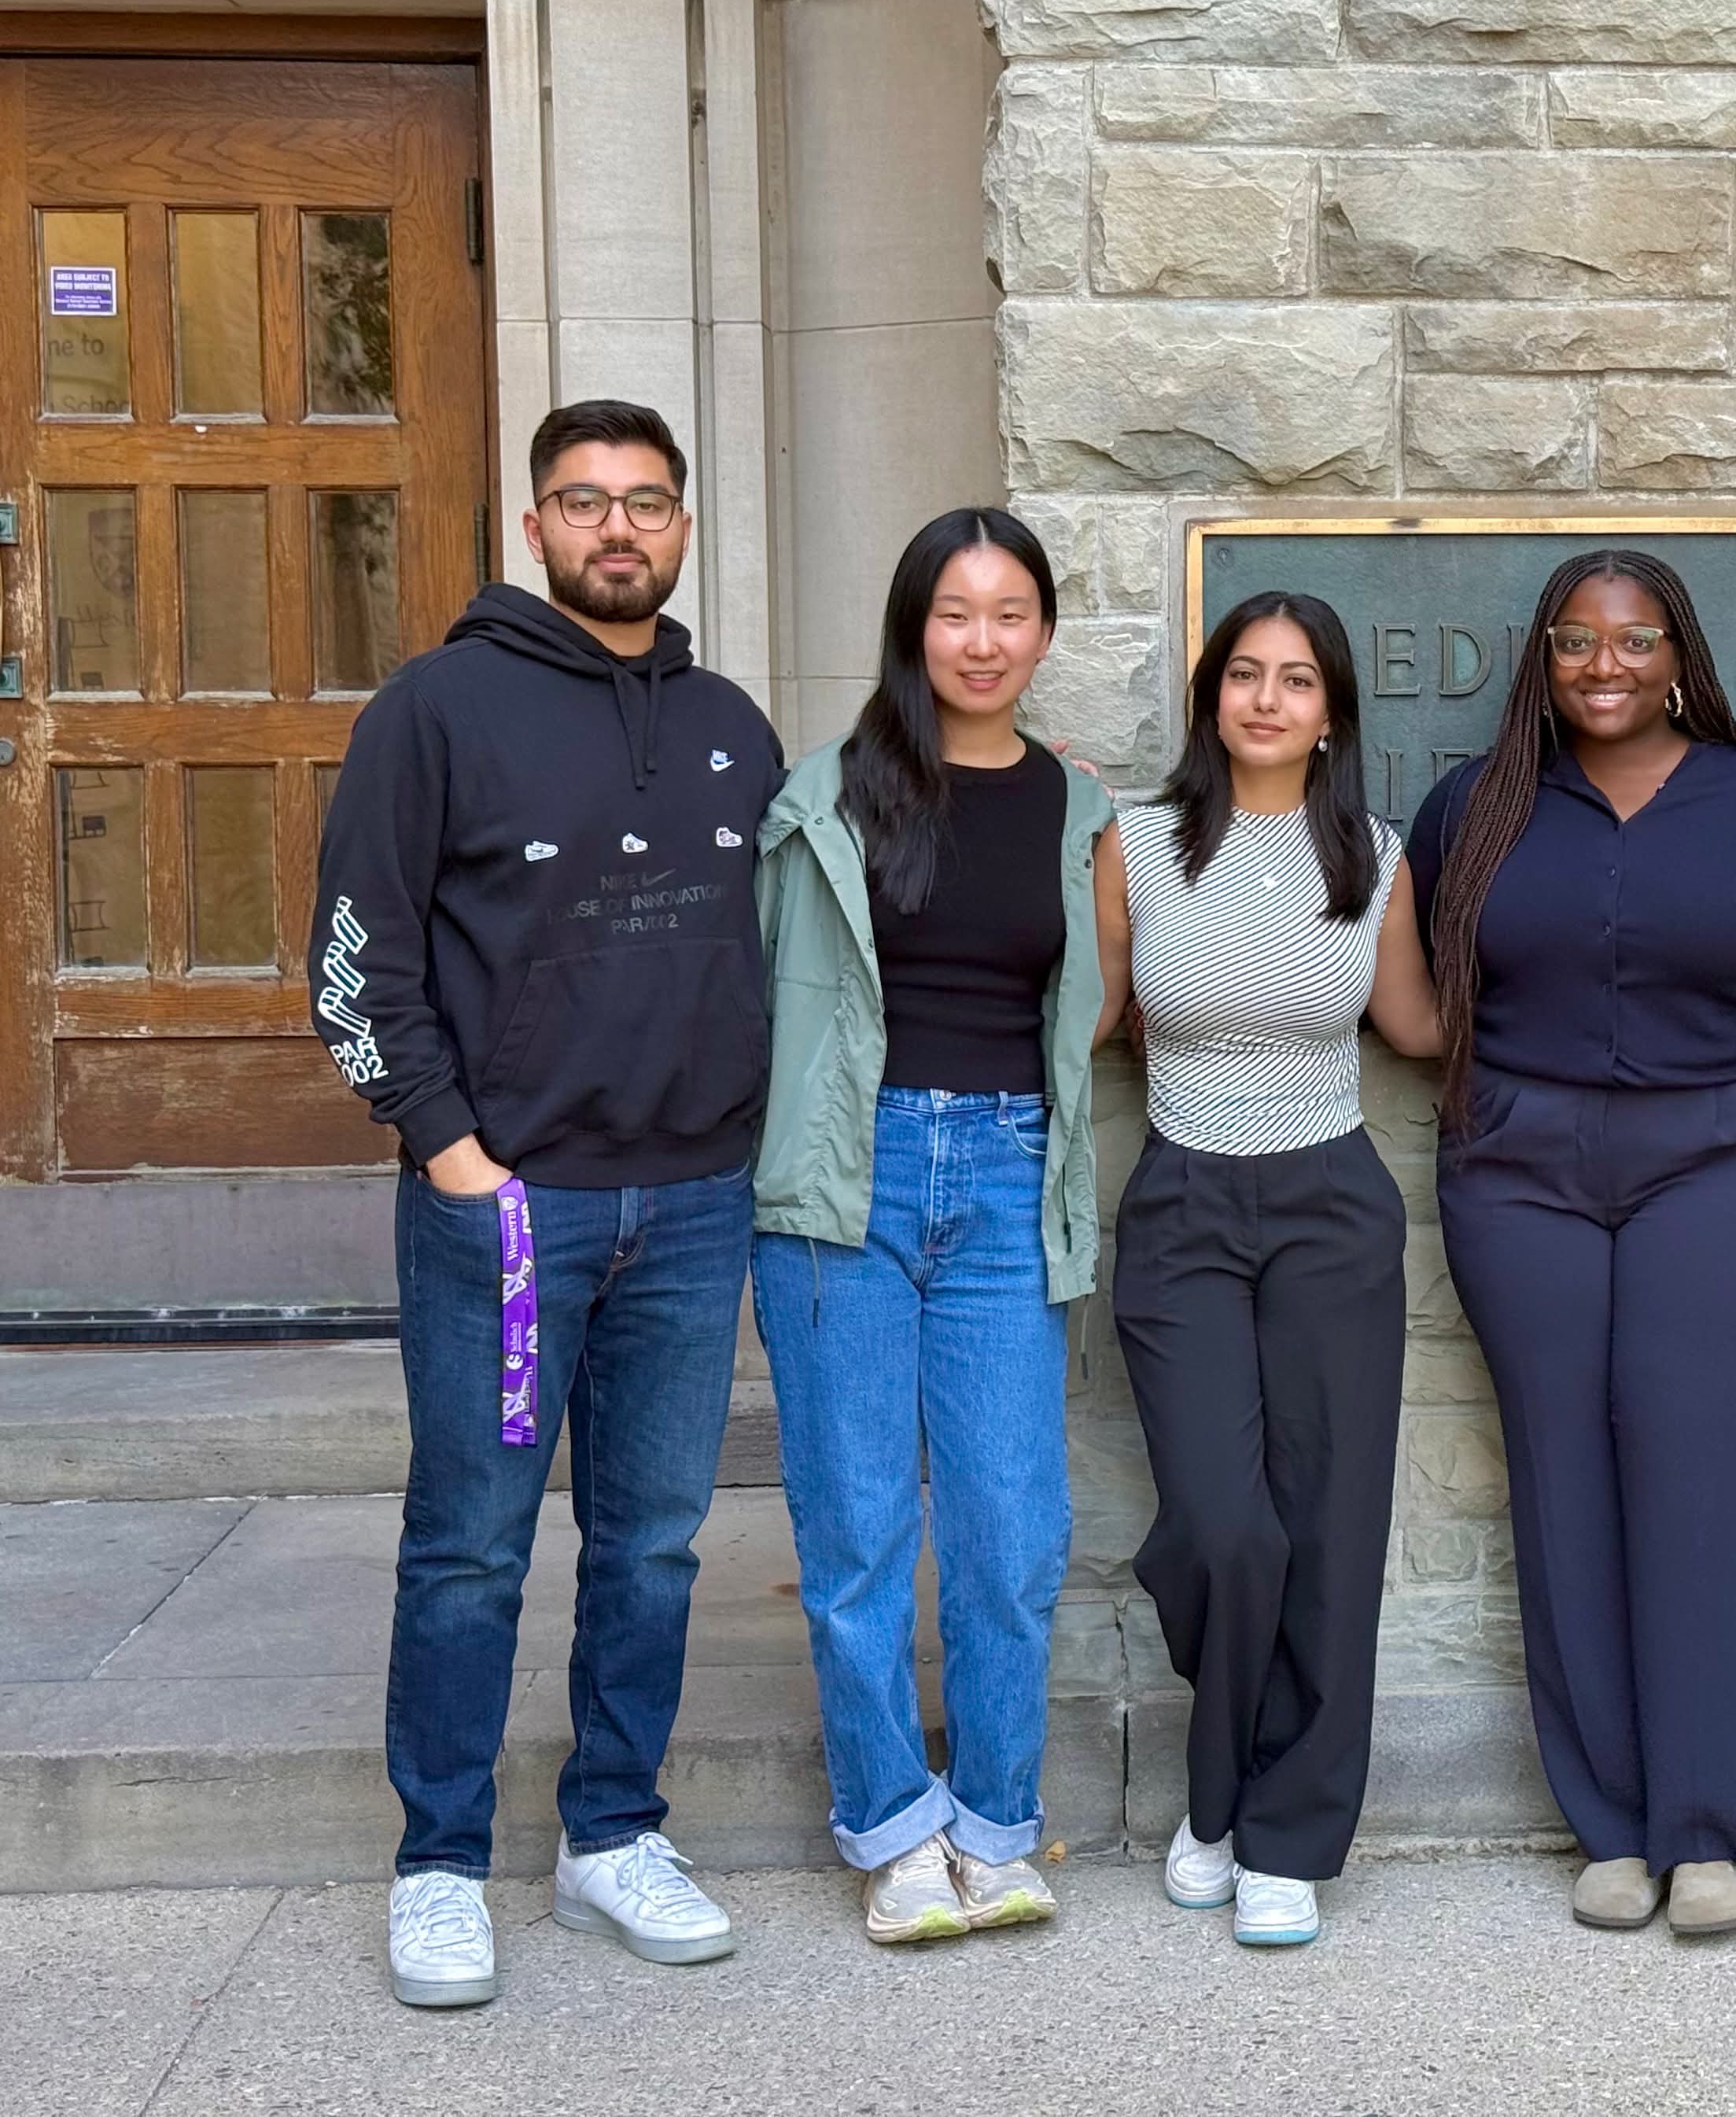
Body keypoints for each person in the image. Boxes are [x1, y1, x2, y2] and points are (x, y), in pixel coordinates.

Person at [315, 399, 783, 2008]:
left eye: (646, 502)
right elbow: (356, 956)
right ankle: (440, 1862)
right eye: (585, 502)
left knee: (653, 1544)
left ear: (683, 527)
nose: (617, 529)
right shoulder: (433, 709)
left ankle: (612, 1834)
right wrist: (450, 1149)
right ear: (534, 527)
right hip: (509, 1213)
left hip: (694, 1205)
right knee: (469, 1546)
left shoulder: (729, 723)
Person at [1407, 548, 1736, 1939]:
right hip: (1518, 1177)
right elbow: (1408, 978)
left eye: (1633, 640)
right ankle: (1611, 1828)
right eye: (1575, 640)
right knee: (1561, 1484)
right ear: (1543, 658)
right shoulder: (1476, 806)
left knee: (1701, 1480)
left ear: (1680, 654)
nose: (1603, 665)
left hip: (1714, 1168)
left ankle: (1709, 1833)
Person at [748, 507, 1130, 1946]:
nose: (983, 641)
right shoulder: (821, 798)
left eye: (1010, 613)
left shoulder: (1077, 808)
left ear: (1043, 632)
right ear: (915, 628)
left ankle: (995, 1823)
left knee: (1011, 1528)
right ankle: (893, 1829)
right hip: (849, 1177)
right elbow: (761, 987)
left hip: (1010, 1176)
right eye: (956, 613)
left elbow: (1097, 1006)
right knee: (856, 1526)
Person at [1112, 592, 1444, 1949]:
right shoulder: (1134, 845)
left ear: (1330, 714)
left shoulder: (1372, 857)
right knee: (1222, 1529)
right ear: (1211, 699)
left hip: (1331, 1208)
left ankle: (1285, 1837)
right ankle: (1217, 1795)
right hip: (1182, 1203)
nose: (1266, 699)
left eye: (1296, 680)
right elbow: (1088, 1016)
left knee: (1329, 1532)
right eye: (1244, 674)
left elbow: (1417, 1023)